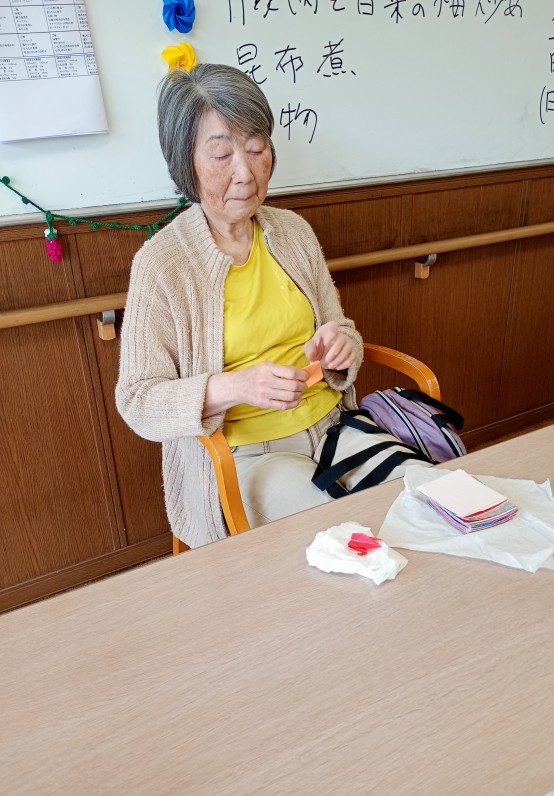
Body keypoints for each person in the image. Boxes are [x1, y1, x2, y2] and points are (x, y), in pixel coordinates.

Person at [116, 63, 405, 548]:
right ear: (186, 163)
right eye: (221, 154)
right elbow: (138, 401)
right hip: (250, 454)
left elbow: (343, 330)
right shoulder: (162, 264)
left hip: (335, 427)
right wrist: (237, 386)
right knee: (347, 545)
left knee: (423, 498)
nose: (245, 173)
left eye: (255, 148)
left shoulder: (293, 232)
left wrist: (340, 348)